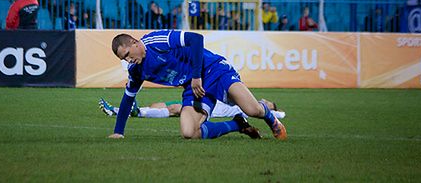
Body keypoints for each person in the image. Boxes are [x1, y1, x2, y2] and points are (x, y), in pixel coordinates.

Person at [107, 30, 287, 140]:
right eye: (124, 58)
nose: (128, 60)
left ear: (135, 43)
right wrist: (118, 132)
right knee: (189, 132)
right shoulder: (136, 70)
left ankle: (270, 117)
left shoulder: (156, 41)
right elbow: (128, 99)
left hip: (213, 70)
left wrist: (195, 76)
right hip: (193, 87)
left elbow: (196, 39)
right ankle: (237, 125)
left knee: (253, 110)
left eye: (128, 54)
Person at [99, 97, 286, 120]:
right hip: (208, 98)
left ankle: (125, 111)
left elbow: (280, 114)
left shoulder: (253, 109)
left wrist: (275, 112)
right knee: (165, 106)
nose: (265, 101)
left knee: (173, 109)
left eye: (269, 103)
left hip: (210, 108)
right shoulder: (248, 101)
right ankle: (119, 110)